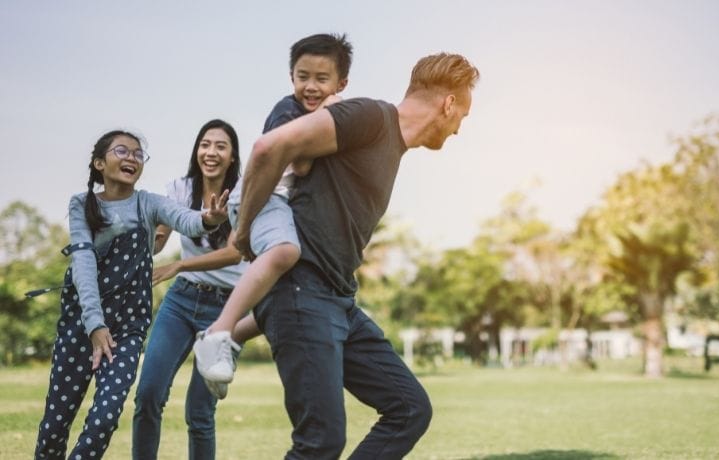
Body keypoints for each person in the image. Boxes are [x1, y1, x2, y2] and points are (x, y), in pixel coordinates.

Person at [229, 52, 479, 459]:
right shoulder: (371, 118)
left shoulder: (392, 146)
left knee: (409, 408)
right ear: (448, 104)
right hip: (303, 291)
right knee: (320, 443)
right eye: (462, 117)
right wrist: (244, 232)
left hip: (339, 301)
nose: (457, 130)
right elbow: (268, 147)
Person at [33, 130, 229, 460]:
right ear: (99, 163)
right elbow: (82, 263)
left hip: (126, 331)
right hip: (81, 325)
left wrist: (209, 220)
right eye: (121, 151)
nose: (131, 158)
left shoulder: (148, 203)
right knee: (55, 425)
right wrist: (94, 324)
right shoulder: (83, 204)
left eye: (138, 154)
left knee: (105, 418)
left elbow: (186, 220)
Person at [192, 33, 352, 391]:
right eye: (302, 76)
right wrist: (327, 113)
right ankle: (217, 332)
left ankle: (232, 338)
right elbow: (302, 164)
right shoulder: (288, 110)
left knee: (291, 295)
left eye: (321, 79)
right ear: (291, 76)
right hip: (261, 198)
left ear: (341, 83)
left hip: (279, 203)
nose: (309, 87)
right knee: (285, 251)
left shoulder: (327, 115)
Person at [132, 119, 247, 459]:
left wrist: (179, 264)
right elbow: (159, 239)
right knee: (148, 394)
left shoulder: (244, 193)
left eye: (220, 146)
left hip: (227, 311)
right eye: (205, 144)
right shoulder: (180, 189)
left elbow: (234, 252)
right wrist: (138, 240)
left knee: (199, 412)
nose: (210, 152)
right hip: (182, 301)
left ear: (232, 156)